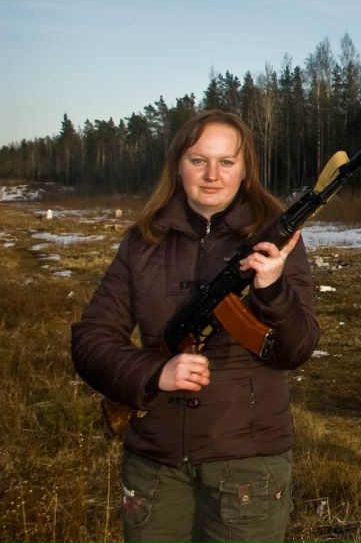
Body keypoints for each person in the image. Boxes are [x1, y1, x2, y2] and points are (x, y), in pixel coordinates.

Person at [71, 110, 319, 543]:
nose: (212, 175)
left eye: (226, 162)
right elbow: (91, 339)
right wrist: (155, 373)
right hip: (155, 463)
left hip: (247, 464)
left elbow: (296, 350)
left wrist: (273, 290)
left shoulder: (274, 243)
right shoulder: (142, 241)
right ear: (177, 165)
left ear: (245, 170)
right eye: (198, 160)